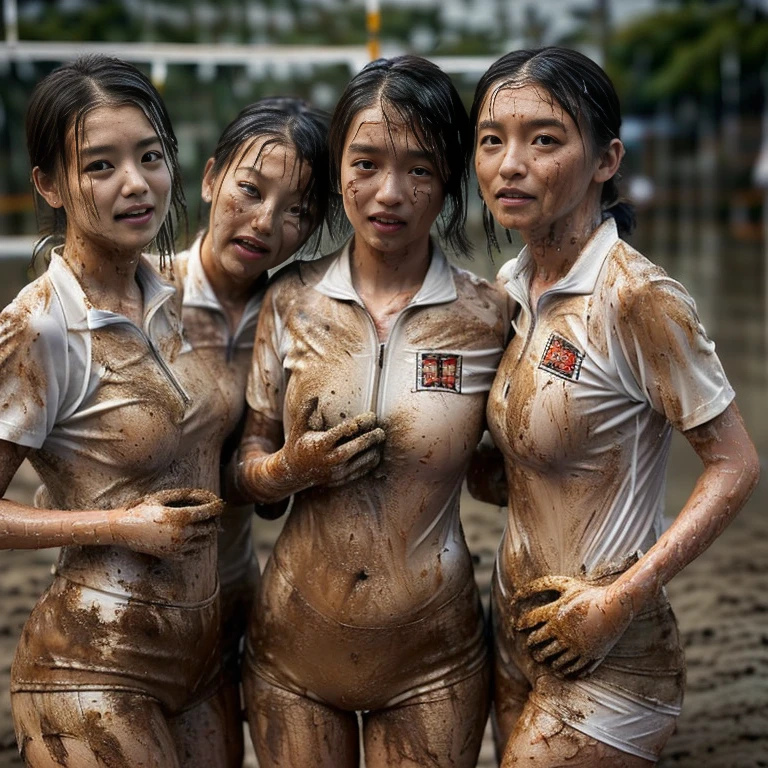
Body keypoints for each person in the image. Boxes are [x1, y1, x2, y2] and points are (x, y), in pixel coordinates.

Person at [469, 46, 760, 767]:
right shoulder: (513, 285)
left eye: (544, 140)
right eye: (491, 140)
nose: (511, 164)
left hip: (614, 648)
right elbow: (541, 462)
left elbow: (736, 464)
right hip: (517, 628)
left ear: (606, 160)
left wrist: (618, 600)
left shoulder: (635, 298)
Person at [235, 55, 508, 767]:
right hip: (292, 653)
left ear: (449, 177)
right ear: (337, 167)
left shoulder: (489, 314)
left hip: (433, 660)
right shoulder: (290, 299)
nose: (389, 193)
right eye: (365, 163)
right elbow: (246, 467)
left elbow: (514, 461)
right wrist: (290, 467)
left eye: (419, 169)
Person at [1, 55, 241, 767]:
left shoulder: (174, 293)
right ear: (49, 185)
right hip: (89, 669)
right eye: (100, 166)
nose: (136, 184)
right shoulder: (39, 328)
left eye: (150, 156)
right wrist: (121, 526)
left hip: (200, 663)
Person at [164, 96, 333, 765]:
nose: (266, 222)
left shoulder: (302, 319)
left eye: (298, 211)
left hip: (233, 594)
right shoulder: (143, 295)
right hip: (125, 593)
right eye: (249, 189)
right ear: (210, 179)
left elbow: (273, 501)